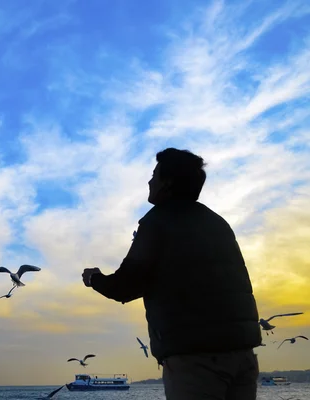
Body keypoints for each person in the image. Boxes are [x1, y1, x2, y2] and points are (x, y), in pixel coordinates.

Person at [82, 148, 262, 400]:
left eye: (154, 174)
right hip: (243, 356)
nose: (149, 181)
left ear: (167, 183)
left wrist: (93, 278)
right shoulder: (218, 223)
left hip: (196, 360)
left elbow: (125, 286)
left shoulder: (158, 222)